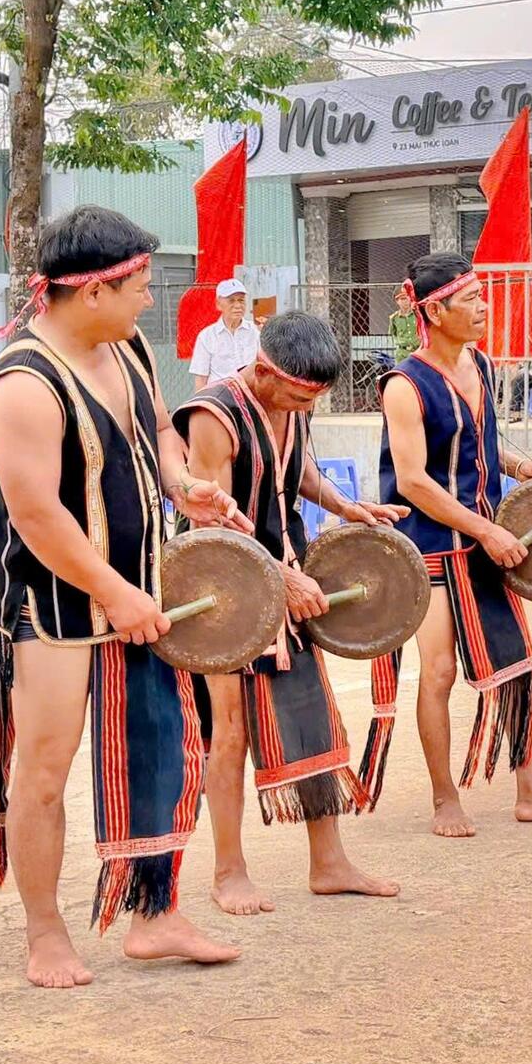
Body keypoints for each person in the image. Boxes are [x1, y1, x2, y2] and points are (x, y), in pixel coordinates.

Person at [0, 206, 244, 989]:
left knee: (158, 750)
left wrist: (187, 486)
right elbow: (37, 515)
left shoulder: (127, 345)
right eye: (140, 285)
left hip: (140, 585)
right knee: (43, 769)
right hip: (53, 606)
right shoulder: (21, 383)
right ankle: (45, 933)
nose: (150, 299)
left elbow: (158, 435)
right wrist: (112, 592)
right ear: (90, 292)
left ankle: (155, 913)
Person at [177, 311, 403, 914]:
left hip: (284, 573)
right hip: (219, 587)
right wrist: (281, 578)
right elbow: (212, 522)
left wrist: (350, 508)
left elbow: (294, 471)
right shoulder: (213, 416)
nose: (303, 407)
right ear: (262, 370)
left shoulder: (292, 405)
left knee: (312, 716)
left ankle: (328, 862)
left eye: (313, 400)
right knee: (230, 730)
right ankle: (228, 871)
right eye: (297, 395)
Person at [373, 252, 532, 837]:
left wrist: (525, 469)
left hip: (482, 538)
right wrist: (488, 530)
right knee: (441, 671)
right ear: (434, 310)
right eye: (470, 300)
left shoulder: (481, 364)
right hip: (427, 546)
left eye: (481, 296)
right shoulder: (403, 384)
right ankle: (445, 798)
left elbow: (485, 443)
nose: (483, 308)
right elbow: (413, 481)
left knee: (517, 666)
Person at [190, 277, 259, 389]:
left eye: (241, 300)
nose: (237, 306)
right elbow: (201, 379)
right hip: (220, 397)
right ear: (218, 304)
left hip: (250, 393)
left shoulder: (256, 332)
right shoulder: (207, 336)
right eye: (231, 300)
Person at [389, 283, 421, 362]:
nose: (405, 301)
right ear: (397, 301)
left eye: (407, 298)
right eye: (402, 299)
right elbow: (394, 333)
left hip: (418, 351)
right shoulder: (394, 318)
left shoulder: (418, 314)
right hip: (402, 353)